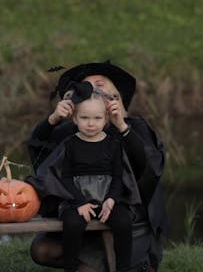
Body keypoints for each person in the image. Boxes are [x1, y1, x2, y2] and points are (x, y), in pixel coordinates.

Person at [25, 61, 167, 272]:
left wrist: (121, 126)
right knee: (41, 249)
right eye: (87, 84)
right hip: (82, 217)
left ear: (117, 98)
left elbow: (150, 168)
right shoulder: (72, 133)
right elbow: (42, 160)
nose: (94, 81)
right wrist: (53, 120)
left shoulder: (135, 128)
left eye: (103, 82)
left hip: (127, 220)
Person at [55, 83, 133, 272]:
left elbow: (117, 177)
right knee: (72, 224)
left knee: (123, 222)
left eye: (97, 118)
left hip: (106, 199)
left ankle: (123, 268)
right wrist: (79, 202)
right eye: (85, 118)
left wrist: (111, 200)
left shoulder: (113, 144)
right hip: (77, 200)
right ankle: (71, 267)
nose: (91, 123)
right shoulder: (70, 144)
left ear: (106, 118)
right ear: (74, 118)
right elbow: (65, 178)